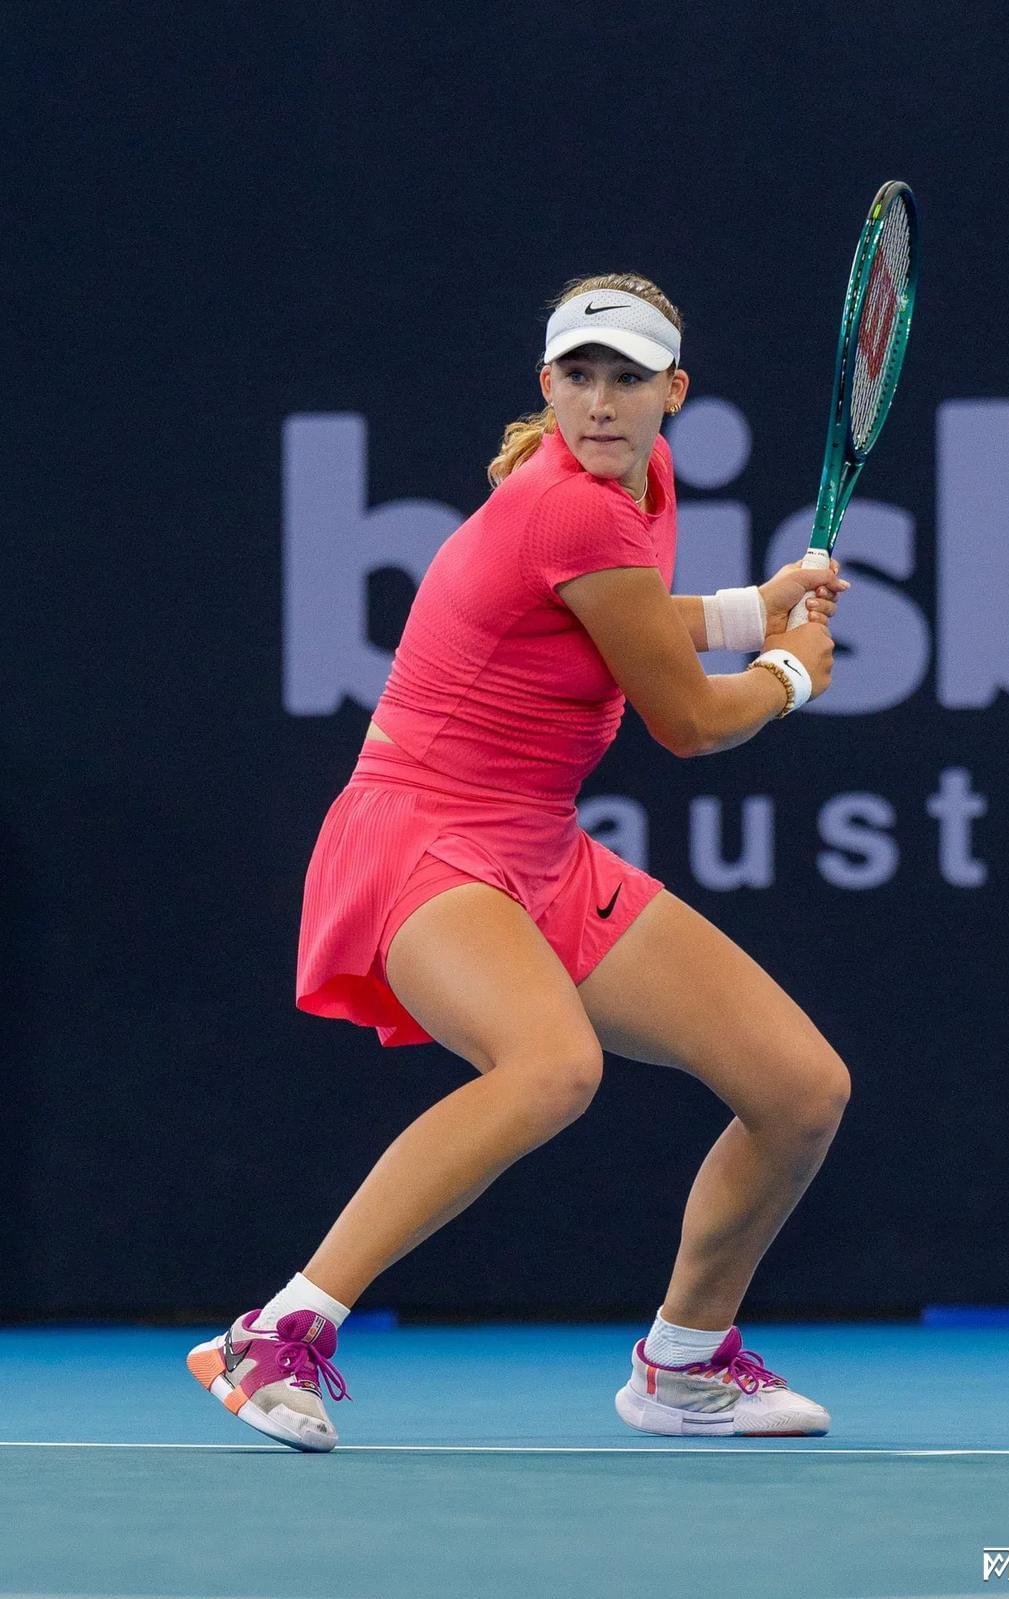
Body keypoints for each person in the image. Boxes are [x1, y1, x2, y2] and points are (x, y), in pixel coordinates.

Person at [187, 273, 853, 1451]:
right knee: (550, 1068)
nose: (600, 402)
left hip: (535, 844)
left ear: (671, 392)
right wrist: (792, 671)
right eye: (577, 377)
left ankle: (683, 1364)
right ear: (546, 385)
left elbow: (617, 617)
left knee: (798, 1091)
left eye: (626, 378)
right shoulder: (572, 505)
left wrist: (751, 609)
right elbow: (689, 723)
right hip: (421, 834)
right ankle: (274, 1334)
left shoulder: (640, 484)